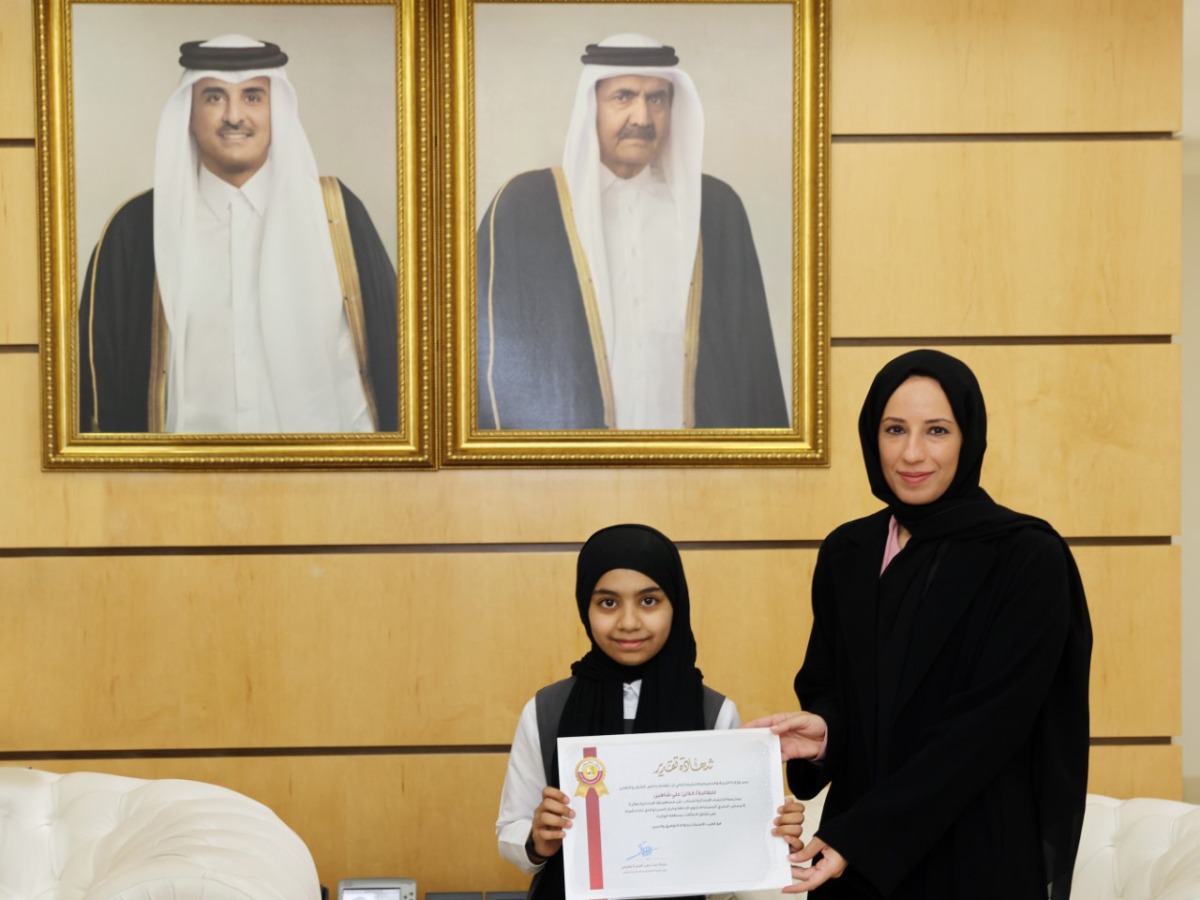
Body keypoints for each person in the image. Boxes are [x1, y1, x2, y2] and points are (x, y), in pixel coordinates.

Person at [746, 350, 1092, 898]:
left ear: (968, 437)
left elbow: (985, 729)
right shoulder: (848, 552)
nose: (912, 453)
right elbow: (835, 686)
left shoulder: (1026, 557)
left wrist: (862, 835)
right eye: (894, 429)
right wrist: (827, 735)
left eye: (936, 430)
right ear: (871, 437)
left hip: (977, 855)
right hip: (854, 864)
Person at [79, 34, 398, 434]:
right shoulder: (136, 230)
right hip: (178, 487)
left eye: (252, 97)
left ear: (276, 110)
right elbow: (96, 389)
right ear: (189, 116)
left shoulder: (336, 215)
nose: (234, 116)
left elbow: (395, 362)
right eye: (214, 97)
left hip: (326, 485)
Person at [477, 34, 788, 430]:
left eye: (657, 99)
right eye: (623, 97)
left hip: (693, 466)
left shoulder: (715, 208)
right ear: (592, 106)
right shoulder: (525, 207)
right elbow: (486, 361)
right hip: (569, 471)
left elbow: (751, 359)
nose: (642, 118)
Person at [496, 523, 804, 899]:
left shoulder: (714, 713)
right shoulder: (547, 709)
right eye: (608, 603)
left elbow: (728, 840)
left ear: (676, 602)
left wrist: (772, 832)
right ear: (585, 606)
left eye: (649, 601)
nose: (628, 622)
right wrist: (536, 839)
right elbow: (511, 827)